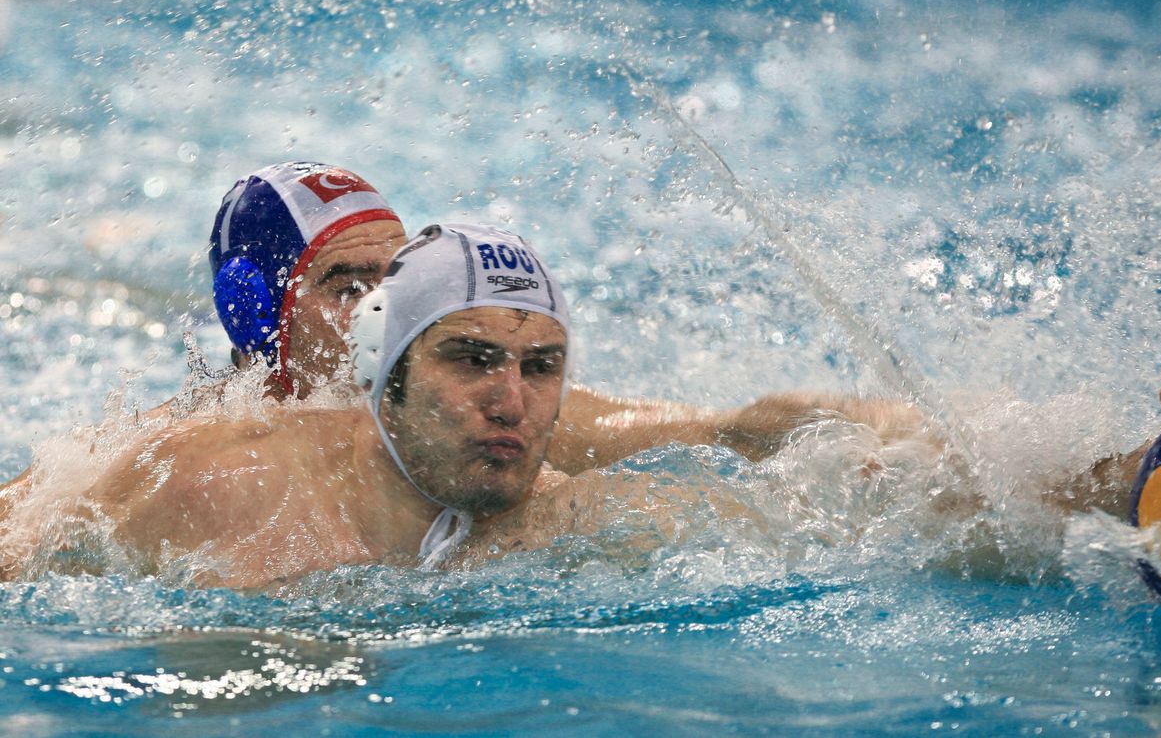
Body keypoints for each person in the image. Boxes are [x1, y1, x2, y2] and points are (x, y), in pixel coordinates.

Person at [0, 223, 945, 588]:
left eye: (543, 367)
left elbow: (787, 474)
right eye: (474, 358)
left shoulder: (564, 507)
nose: (512, 399)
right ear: (391, 371)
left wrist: (984, 472)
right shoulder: (206, 472)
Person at [203, 161, 927, 475]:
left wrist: (913, 436)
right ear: (252, 316)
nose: (382, 309)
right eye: (345, 285)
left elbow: (727, 429)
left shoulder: (464, 411)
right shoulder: (193, 465)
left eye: (392, 276)